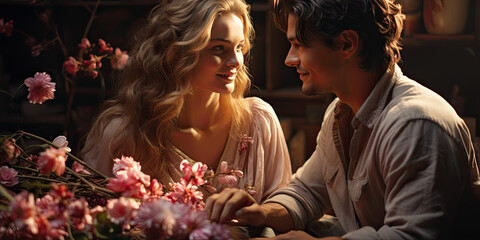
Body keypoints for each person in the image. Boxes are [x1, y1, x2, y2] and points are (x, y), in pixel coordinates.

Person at [205, 0, 480, 239]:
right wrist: (258, 212)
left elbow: (410, 236)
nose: (289, 59)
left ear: (346, 43)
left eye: (299, 45)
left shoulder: (415, 125)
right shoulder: (341, 112)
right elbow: (307, 192)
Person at [80, 0, 292, 204]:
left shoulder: (260, 122)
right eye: (219, 48)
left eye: (239, 47)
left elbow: (281, 214)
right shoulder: (123, 134)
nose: (236, 61)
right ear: (178, 53)